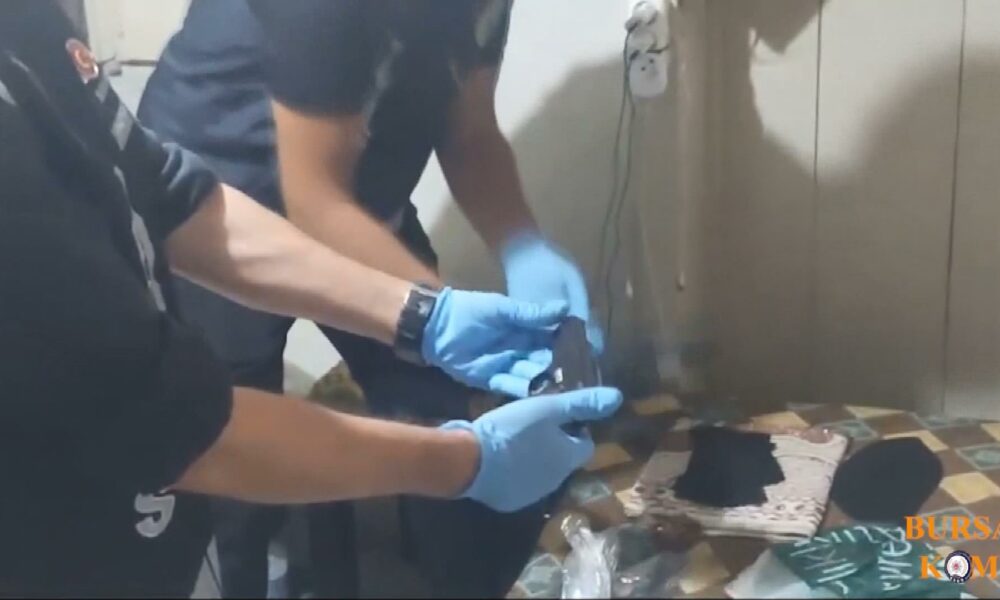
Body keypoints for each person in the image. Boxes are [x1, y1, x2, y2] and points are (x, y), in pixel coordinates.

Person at [0, 1, 623, 597]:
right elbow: (186, 429)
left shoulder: (25, 24)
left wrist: (440, 309)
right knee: (230, 504)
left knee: (446, 396)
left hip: (267, 213)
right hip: (244, 180)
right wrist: (467, 461)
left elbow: (166, 188)